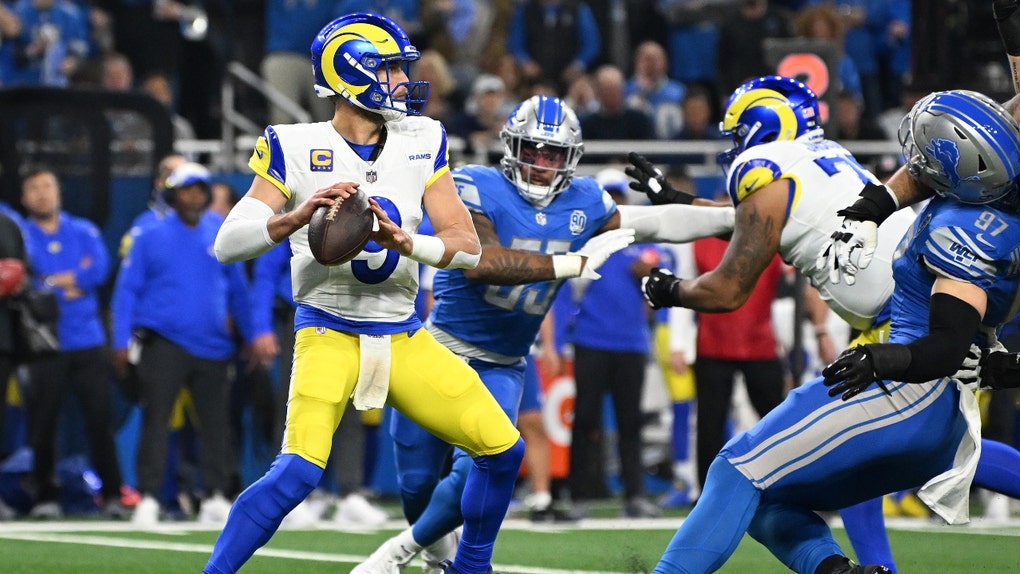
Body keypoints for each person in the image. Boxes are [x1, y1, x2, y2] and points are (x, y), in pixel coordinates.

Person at [638, 81, 1020, 573]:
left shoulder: (960, 227)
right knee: (770, 498)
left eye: (930, 156)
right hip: (940, 411)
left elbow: (944, 346)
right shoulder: (993, 205)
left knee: (735, 469)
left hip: (907, 390)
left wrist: (883, 357)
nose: (917, 164)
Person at [350, 94, 738, 574]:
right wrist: (569, 263)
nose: (539, 163)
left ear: (569, 159)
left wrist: (731, 218)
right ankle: (434, 555)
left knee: (481, 464)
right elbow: (482, 265)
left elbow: (654, 221)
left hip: (504, 360)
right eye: (531, 150)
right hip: (440, 350)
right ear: (511, 147)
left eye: (551, 154)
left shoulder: (584, 201)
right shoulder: (474, 185)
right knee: (415, 482)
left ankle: (411, 553)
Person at [202, 13, 527, 574]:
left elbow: (465, 245)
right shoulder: (294, 143)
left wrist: (407, 242)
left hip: (402, 333)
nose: (405, 78)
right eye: (392, 67)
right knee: (299, 471)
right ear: (351, 72)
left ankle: (471, 567)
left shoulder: (423, 138)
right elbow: (227, 244)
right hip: (328, 329)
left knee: (503, 448)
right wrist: (295, 217)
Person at [111, 162, 256, 526]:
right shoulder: (148, 234)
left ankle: (214, 496)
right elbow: (126, 291)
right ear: (172, 194)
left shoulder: (220, 232)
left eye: (199, 189)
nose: (193, 195)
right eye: (186, 189)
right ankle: (147, 497)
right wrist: (119, 340)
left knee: (215, 425)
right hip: (164, 342)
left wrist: (253, 335)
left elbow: (239, 291)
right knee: (156, 421)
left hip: (214, 345)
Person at [19, 169, 126, 519]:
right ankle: (45, 497)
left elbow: (99, 269)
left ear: (58, 191)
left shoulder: (83, 230)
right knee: (42, 425)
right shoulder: (20, 234)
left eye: (47, 185)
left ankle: (112, 495)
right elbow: (26, 278)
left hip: (87, 341)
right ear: (24, 198)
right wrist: (66, 280)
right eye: (33, 188)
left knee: (99, 420)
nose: (41, 194)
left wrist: (53, 280)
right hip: (43, 344)